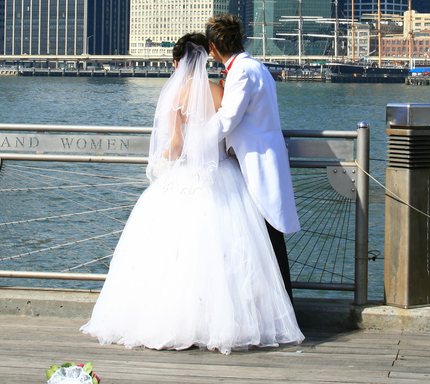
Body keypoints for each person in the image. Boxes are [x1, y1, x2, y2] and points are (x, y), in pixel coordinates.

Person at [81, 33, 303, 354]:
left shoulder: (176, 96)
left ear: (177, 63)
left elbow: (175, 146)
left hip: (187, 176)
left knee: (175, 252)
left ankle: (181, 320)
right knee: (229, 250)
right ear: (206, 58)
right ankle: (230, 322)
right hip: (225, 175)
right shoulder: (220, 91)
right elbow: (229, 133)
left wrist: (163, 160)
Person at [206, 14, 299, 300]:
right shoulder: (254, 66)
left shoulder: (242, 72)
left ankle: (282, 308)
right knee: (269, 235)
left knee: (268, 236)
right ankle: (280, 306)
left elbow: (227, 119)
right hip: (264, 156)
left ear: (214, 46)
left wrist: (194, 140)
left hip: (258, 161)